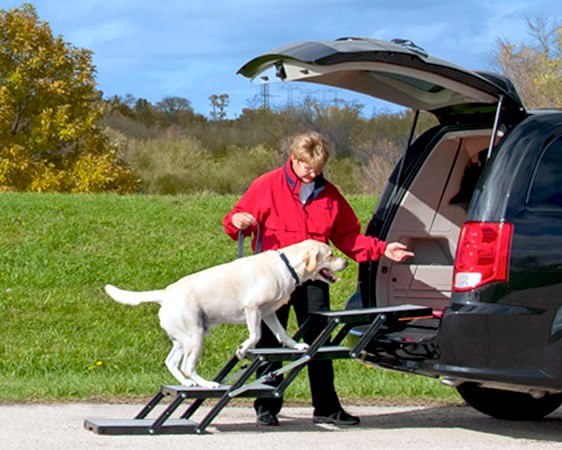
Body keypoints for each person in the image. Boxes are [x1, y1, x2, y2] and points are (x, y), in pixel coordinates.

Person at [223, 131, 414, 427]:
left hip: (313, 278)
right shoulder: (267, 185)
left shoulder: (329, 194)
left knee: (319, 341)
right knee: (271, 339)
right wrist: (238, 221)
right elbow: (236, 219)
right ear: (294, 159)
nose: (313, 174)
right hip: (273, 279)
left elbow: (348, 236)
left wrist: (383, 249)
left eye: (318, 168)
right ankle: (266, 404)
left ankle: (326, 406)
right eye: (307, 167)